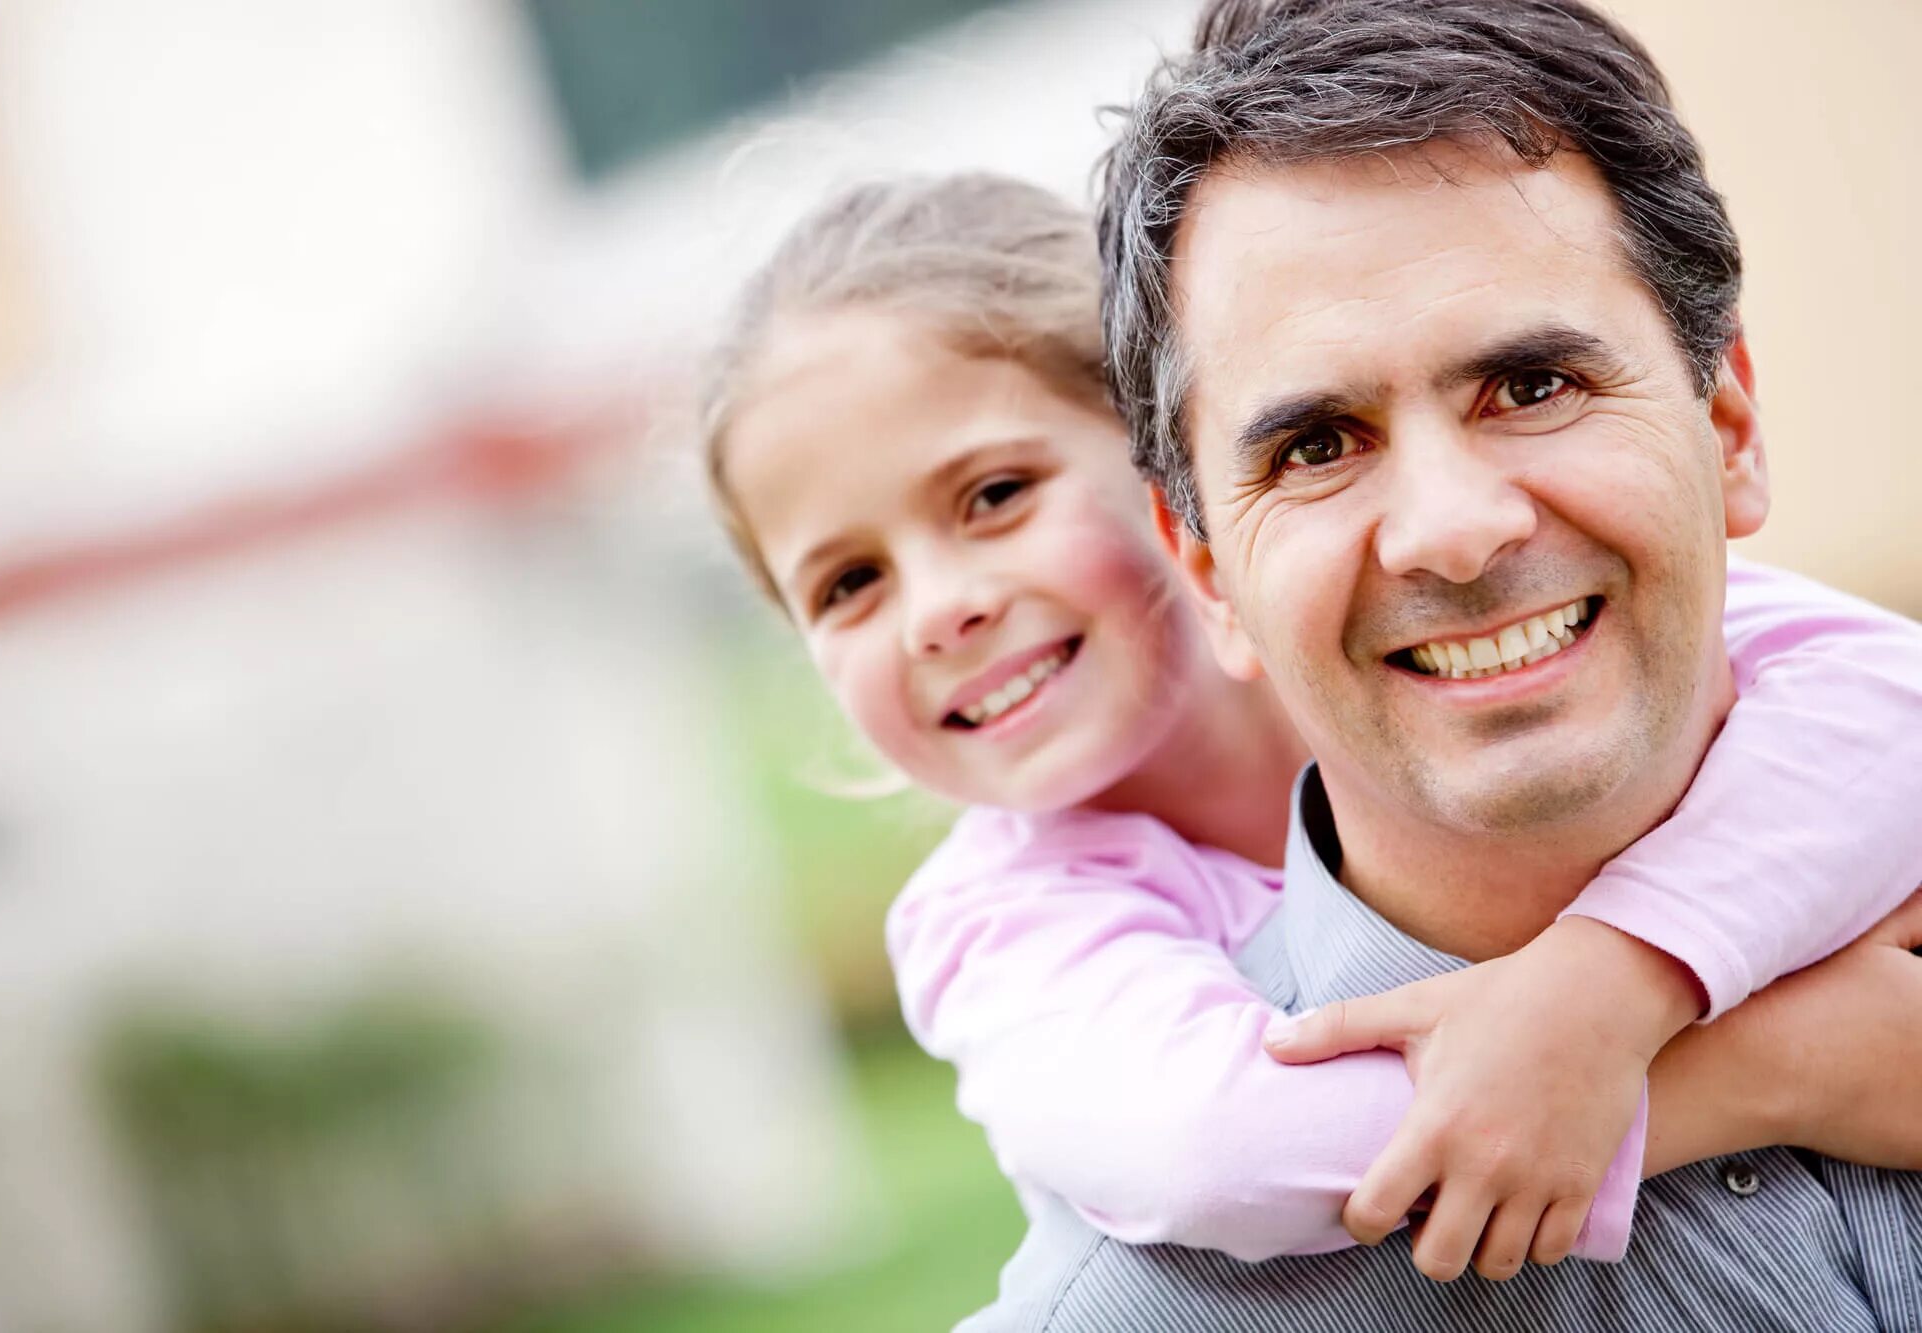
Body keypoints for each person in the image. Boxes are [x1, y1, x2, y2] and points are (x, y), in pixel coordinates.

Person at [698, 158, 1922, 1299]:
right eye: (845, 584)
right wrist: (1782, 1067)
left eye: (994, 495)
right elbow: (1213, 1149)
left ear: (1173, 470)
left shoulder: (1451, 638)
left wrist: (1611, 969)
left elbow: (1886, 711)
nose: (936, 609)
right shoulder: (999, 921)